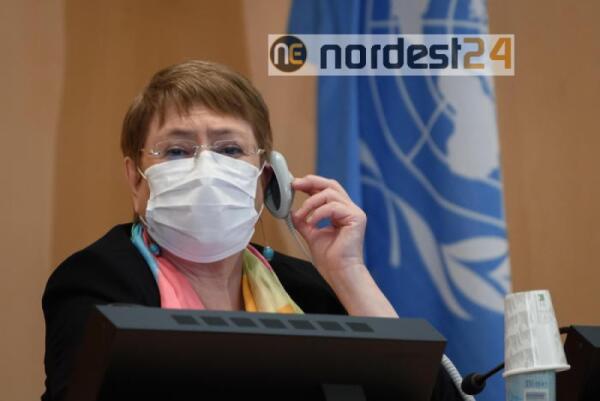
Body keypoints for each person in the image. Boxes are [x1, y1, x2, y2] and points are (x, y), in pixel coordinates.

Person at [42, 60, 463, 401]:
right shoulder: (98, 281)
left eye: (229, 149)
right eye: (176, 150)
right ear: (136, 179)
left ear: (266, 177)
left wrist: (348, 273)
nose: (206, 168)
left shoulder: (305, 289)